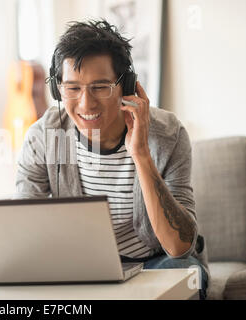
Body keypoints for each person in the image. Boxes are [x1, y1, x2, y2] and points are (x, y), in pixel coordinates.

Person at [14, 19, 209, 299]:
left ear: (125, 85)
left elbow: (179, 247)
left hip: (155, 263)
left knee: (186, 273)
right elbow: (21, 224)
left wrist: (140, 154)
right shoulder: (47, 136)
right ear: (57, 89)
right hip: (79, 268)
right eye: (73, 88)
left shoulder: (167, 135)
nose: (85, 104)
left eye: (100, 87)